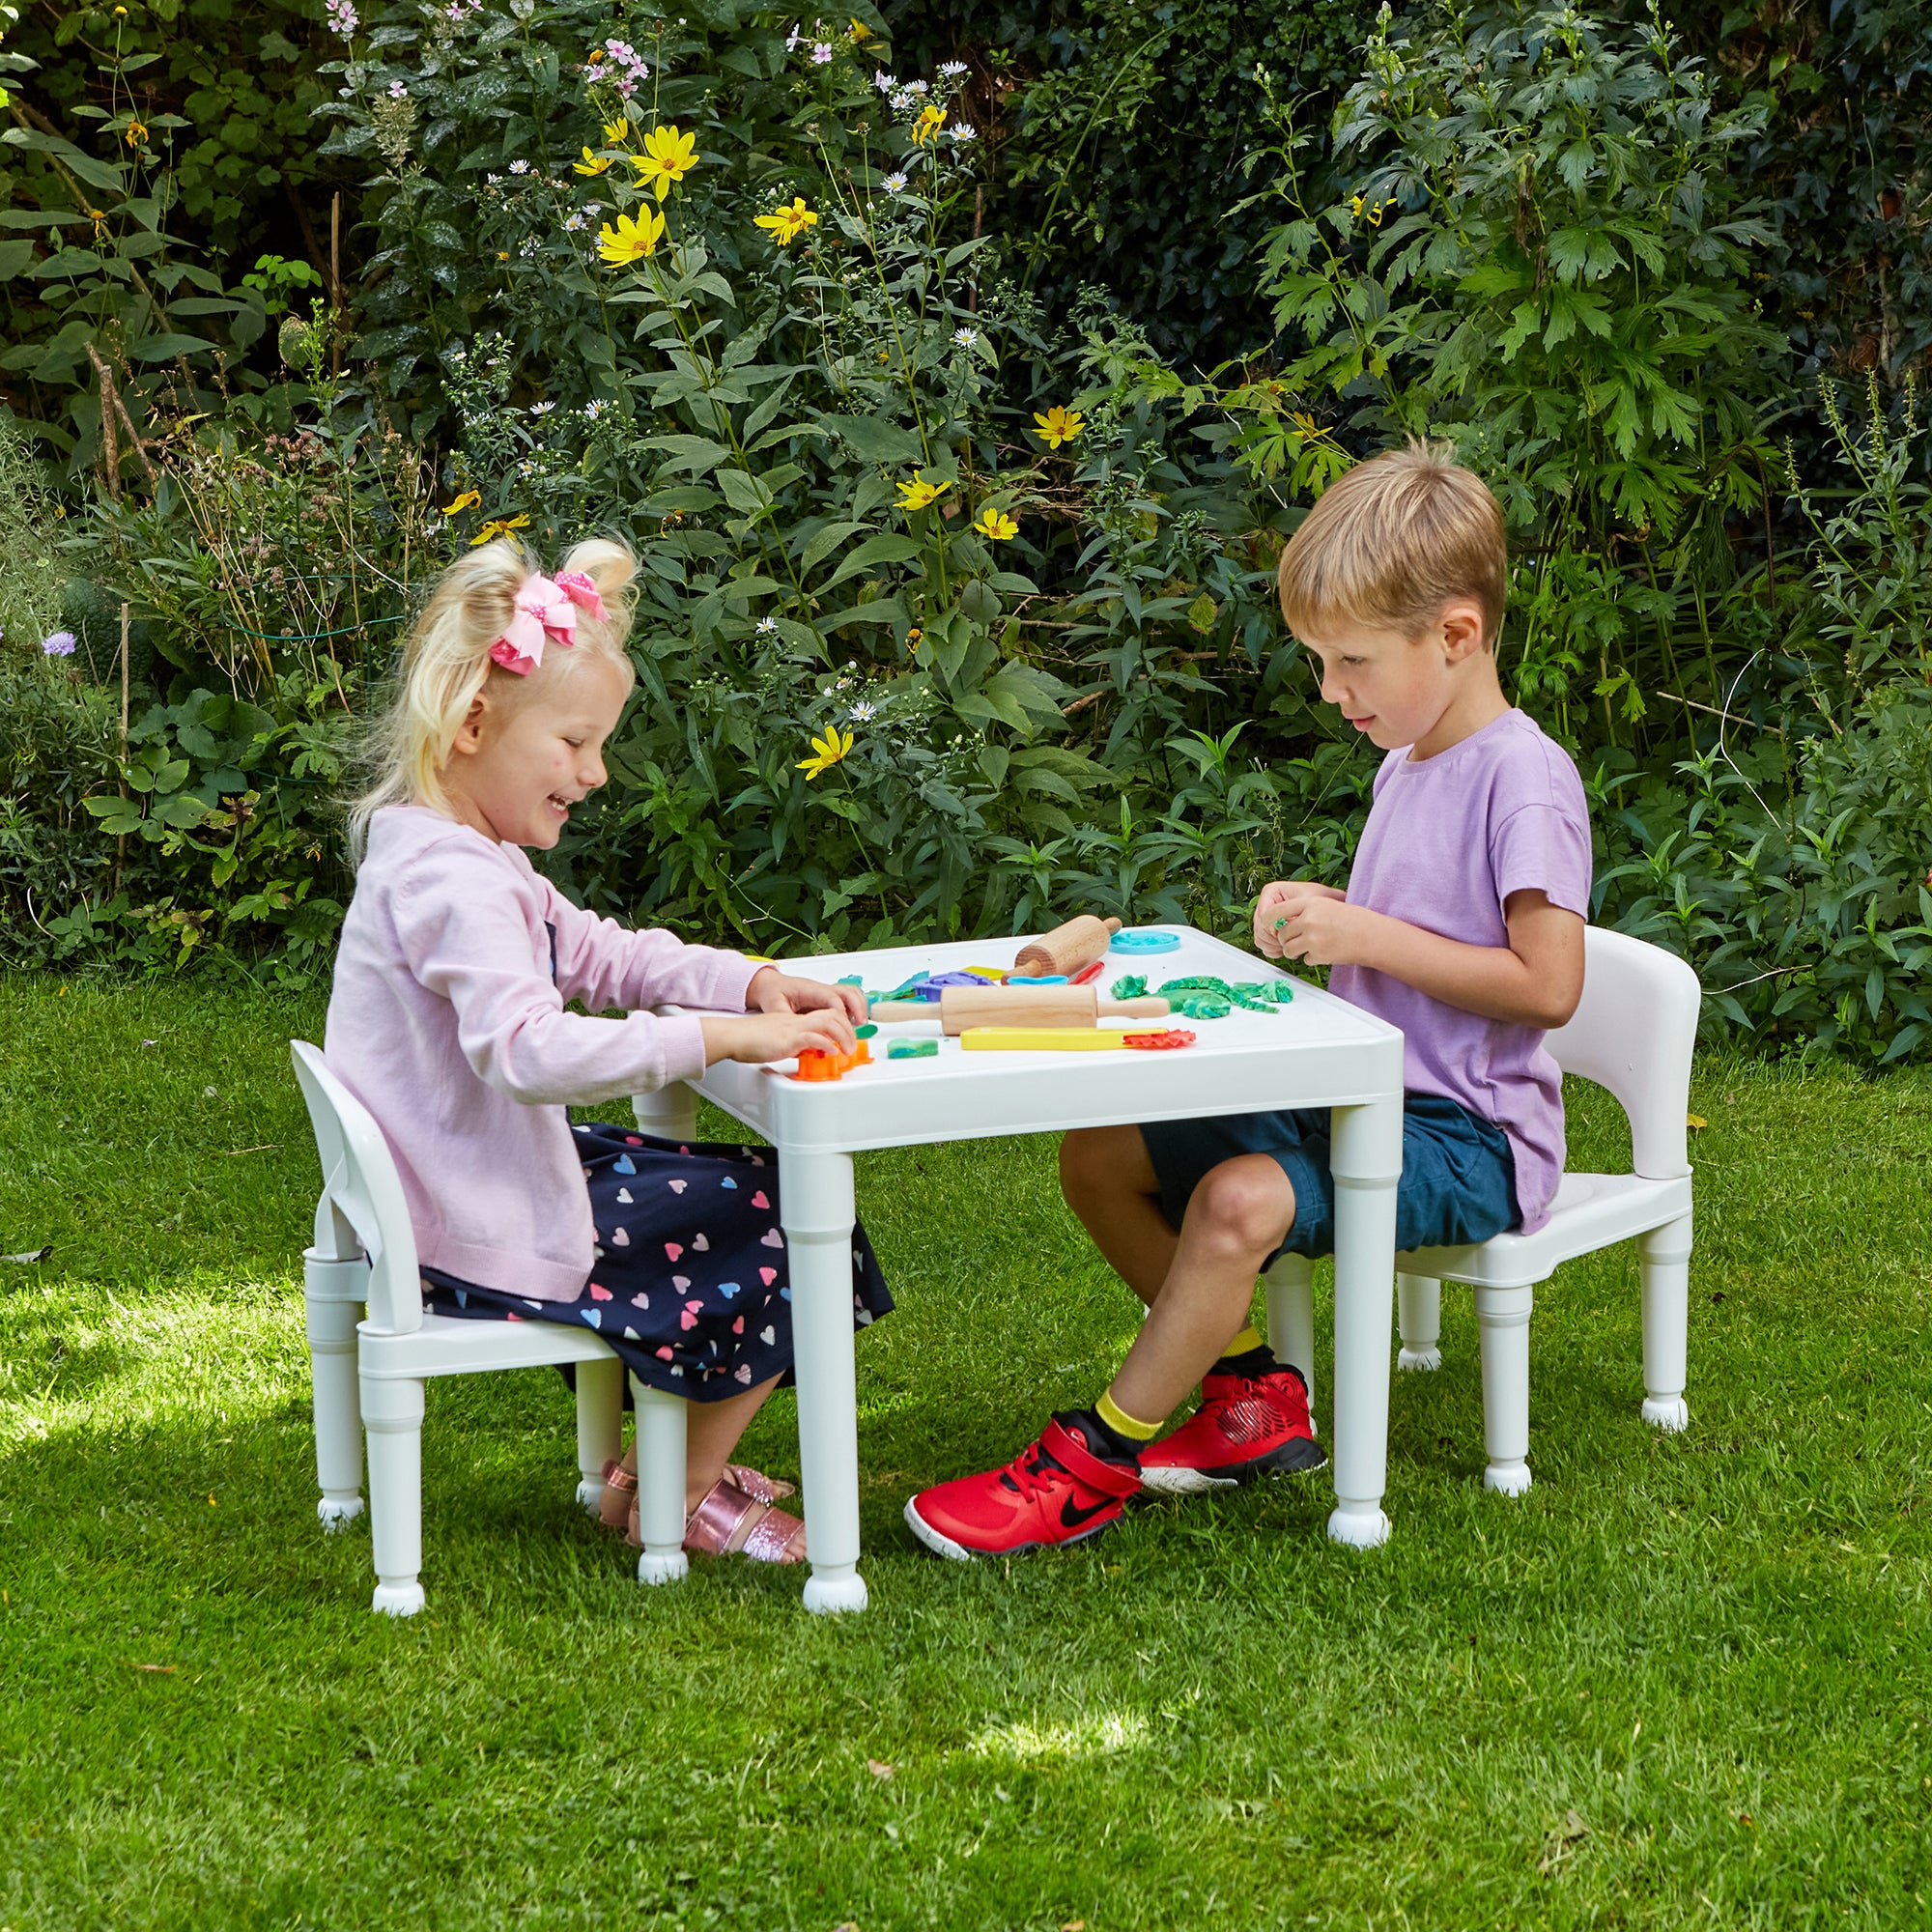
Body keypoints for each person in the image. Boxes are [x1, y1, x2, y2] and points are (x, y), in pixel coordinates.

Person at [905, 442, 1592, 1559]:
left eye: (1350, 661)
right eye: (1321, 661)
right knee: (1102, 1151)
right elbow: (1418, 935)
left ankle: (1095, 1458)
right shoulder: (1408, 758)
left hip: (1466, 1134)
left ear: (1455, 635)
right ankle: (1247, 1398)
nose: (1330, 691)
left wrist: (1364, 933)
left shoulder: (1524, 777)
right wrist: (1322, 915)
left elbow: (1546, 983)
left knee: (1233, 1198)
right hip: (1356, 1096)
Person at [326, 536, 893, 1566]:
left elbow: (600, 952)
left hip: (457, 1181)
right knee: (790, 1221)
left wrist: (747, 979)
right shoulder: (458, 883)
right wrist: (721, 1036)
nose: (592, 774)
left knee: (749, 1192)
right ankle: (676, 1493)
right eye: (576, 744)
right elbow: (530, 1053)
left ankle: (659, 1463)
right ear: (471, 724)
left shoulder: (450, 850)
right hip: (471, 1216)